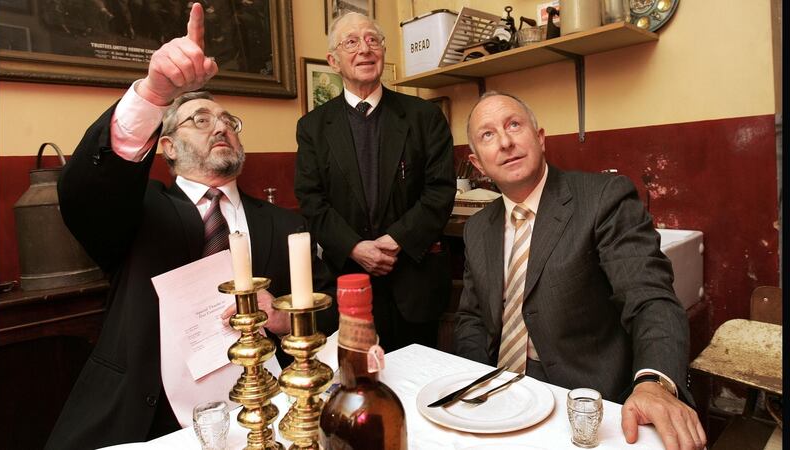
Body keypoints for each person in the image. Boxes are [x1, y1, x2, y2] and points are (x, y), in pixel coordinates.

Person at [45, 4, 334, 449]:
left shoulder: (284, 223)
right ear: (167, 147)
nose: (220, 127)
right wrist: (154, 95)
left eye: (228, 122)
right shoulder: (137, 209)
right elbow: (85, 190)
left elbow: (324, 308)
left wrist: (281, 317)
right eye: (200, 119)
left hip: (260, 411)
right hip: (148, 415)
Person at [454, 92, 706, 450]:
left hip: (584, 397)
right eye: (488, 135)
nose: (506, 142)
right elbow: (472, 318)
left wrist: (654, 382)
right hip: (499, 393)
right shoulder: (477, 228)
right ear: (477, 163)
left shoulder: (603, 198)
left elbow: (650, 297)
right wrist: (472, 382)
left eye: (514, 125)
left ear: (540, 138)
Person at [294, 12, 456, 353]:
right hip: (348, 285)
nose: (364, 49)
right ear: (333, 61)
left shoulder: (424, 117)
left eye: (372, 40)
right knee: (360, 386)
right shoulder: (312, 127)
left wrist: (395, 240)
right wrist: (355, 247)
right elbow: (311, 200)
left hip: (413, 280)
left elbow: (439, 191)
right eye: (351, 42)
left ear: (382, 51)